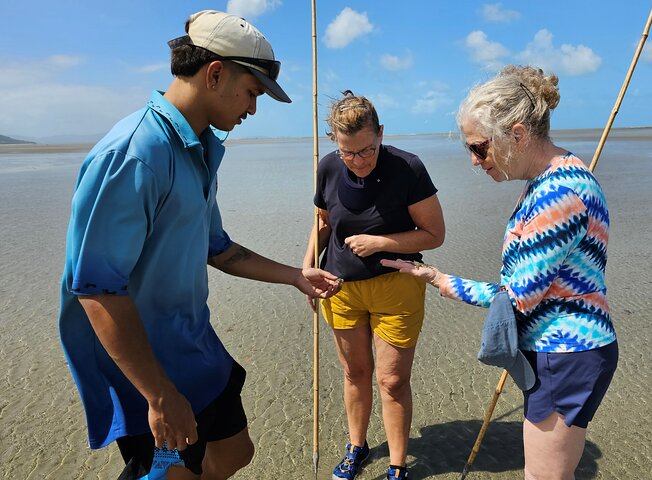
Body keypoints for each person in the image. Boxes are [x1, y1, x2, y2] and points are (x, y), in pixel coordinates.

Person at [58, 10, 341, 480]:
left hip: (194, 345)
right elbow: (95, 289)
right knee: (173, 472)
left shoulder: (198, 148)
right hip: (148, 365)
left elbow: (219, 249)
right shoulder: (135, 153)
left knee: (234, 452)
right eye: (253, 93)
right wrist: (159, 395)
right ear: (215, 74)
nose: (252, 109)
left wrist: (295, 275)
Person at [382, 65, 618, 480]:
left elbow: (516, 298)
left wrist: (440, 280)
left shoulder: (558, 194)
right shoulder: (558, 175)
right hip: (570, 348)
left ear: (518, 134)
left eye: (479, 147)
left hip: (565, 352)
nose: (475, 161)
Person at [303, 91, 445, 480]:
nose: (359, 161)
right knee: (355, 373)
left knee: (393, 380)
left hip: (396, 287)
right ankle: (357, 446)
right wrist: (306, 270)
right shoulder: (328, 167)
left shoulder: (408, 168)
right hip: (340, 287)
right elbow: (322, 222)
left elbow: (434, 234)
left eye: (367, 149)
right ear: (335, 142)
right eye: (349, 152)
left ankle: (398, 463)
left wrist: (381, 242)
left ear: (380, 133)